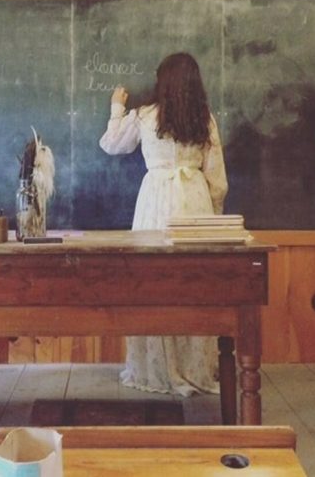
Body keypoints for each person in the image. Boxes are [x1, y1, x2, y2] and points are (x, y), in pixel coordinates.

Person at [99, 52, 228, 397]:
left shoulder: (144, 116)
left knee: (150, 283)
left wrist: (115, 107)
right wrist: (213, 217)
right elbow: (218, 179)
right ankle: (193, 368)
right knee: (193, 287)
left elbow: (111, 145)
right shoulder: (205, 120)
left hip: (155, 201)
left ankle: (154, 369)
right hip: (194, 203)